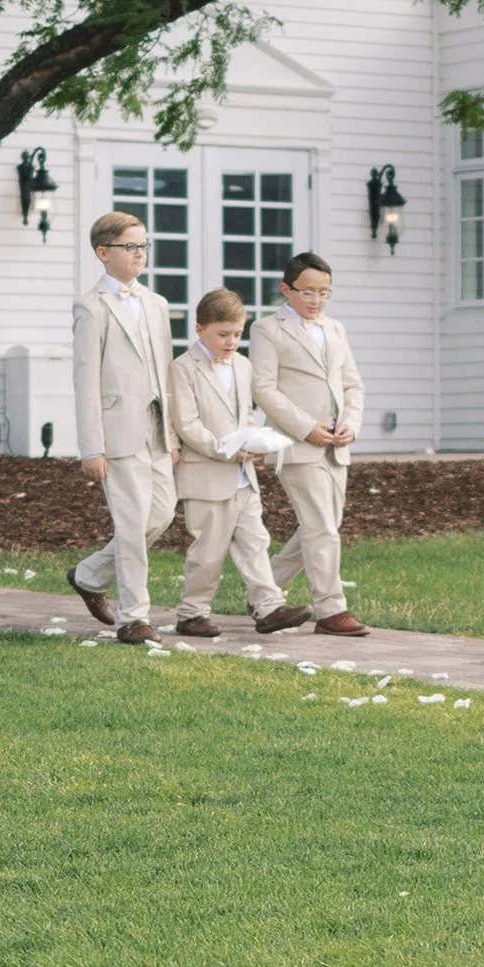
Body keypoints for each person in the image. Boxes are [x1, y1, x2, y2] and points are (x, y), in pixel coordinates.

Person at [168, 289, 313, 639]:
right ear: (200, 329)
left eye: (237, 334)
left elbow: (244, 413)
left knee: (255, 542)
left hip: (242, 476)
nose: (232, 341)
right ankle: (192, 613)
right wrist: (226, 449)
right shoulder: (182, 369)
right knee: (208, 551)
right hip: (206, 474)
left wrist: (253, 440)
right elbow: (185, 423)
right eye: (223, 334)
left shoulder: (243, 365)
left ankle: (268, 608)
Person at [67, 211, 179, 644]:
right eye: (130, 247)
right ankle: (133, 617)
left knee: (162, 515)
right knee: (132, 526)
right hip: (117, 432)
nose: (140, 254)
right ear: (103, 253)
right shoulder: (91, 306)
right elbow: (85, 380)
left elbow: (164, 370)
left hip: (156, 431)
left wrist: (172, 436)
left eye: (144, 246)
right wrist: (91, 447)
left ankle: (90, 574)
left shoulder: (156, 303)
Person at [249, 252, 370, 637]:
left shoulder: (336, 329)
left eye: (324, 292)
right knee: (321, 527)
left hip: (337, 445)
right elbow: (263, 388)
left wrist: (351, 423)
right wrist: (305, 428)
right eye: (307, 292)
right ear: (286, 289)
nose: (316, 300)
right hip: (296, 444)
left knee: (321, 527)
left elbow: (352, 384)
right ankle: (331, 609)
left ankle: (262, 588)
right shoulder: (267, 329)